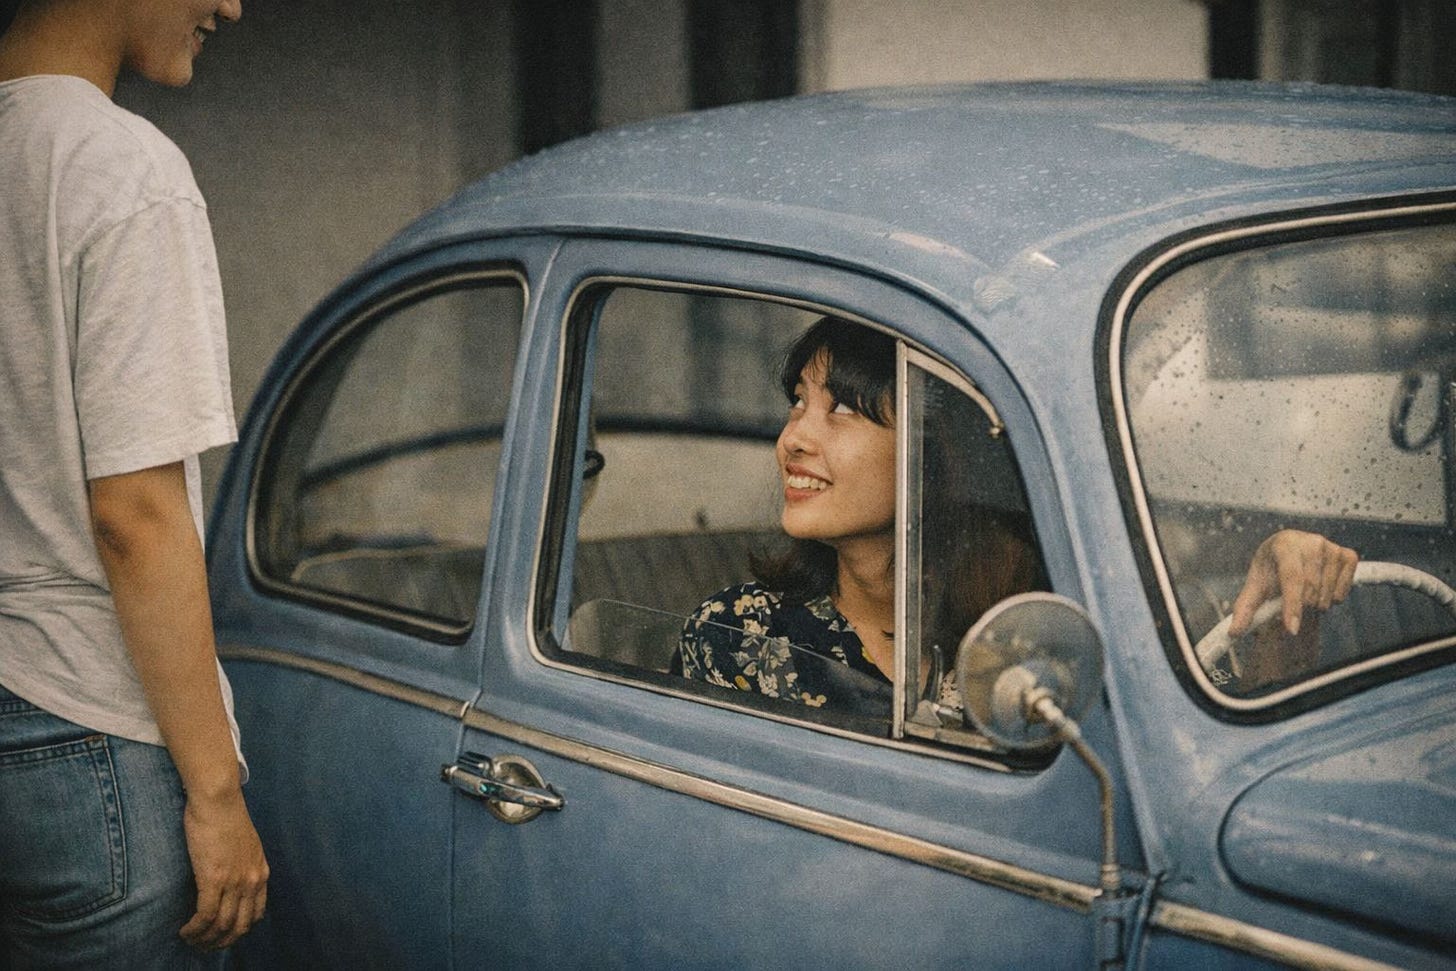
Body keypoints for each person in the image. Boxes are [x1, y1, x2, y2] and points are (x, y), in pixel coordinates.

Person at [678, 316, 1360, 711]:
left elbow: (1181, 746)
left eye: (842, 410)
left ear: (933, 449)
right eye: (798, 402)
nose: (794, 437)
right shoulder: (741, 636)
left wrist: (1285, 599)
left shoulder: (1046, 618)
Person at [0, 0, 268, 966]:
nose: (231, 5)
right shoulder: (118, 167)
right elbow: (135, 513)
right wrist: (217, 793)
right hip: (85, 725)